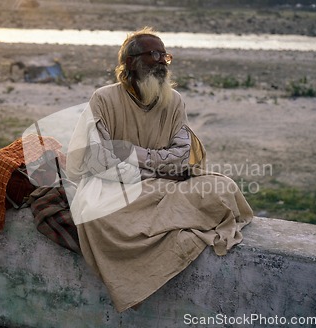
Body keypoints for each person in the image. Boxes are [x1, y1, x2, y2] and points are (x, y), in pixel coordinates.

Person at [65, 27, 253, 312]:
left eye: (164, 55)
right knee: (92, 212)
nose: (162, 61)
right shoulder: (103, 99)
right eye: (154, 54)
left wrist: (130, 154)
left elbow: (182, 156)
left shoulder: (174, 101)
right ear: (130, 62)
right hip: (118, 188)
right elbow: (98, 159)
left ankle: (163, 224)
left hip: (165, 187)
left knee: (222, 188)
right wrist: (157, 168)